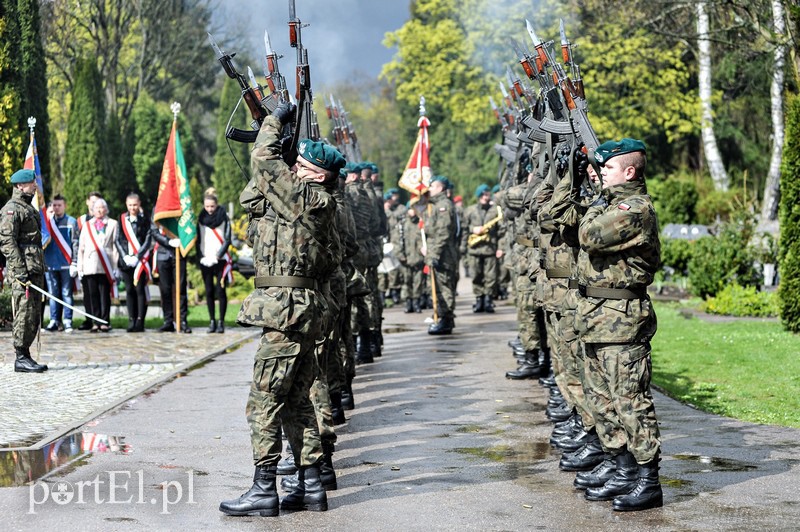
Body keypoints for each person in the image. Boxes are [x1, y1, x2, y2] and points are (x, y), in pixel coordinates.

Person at [219, 103, 343, 517]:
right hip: (299, 311)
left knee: (263, 400)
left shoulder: (313, 200)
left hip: (286, 313)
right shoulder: (309, 202)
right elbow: (254, 194)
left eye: (302, 164)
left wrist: (273, 122)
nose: (296, 167)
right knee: (297, 401)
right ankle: (309, 486)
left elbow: (263, 159)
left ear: (317, 175)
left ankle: (263, 488)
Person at [574, 139, 662, 512]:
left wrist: (597, 199)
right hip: (597, 318)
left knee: (630, 401)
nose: (599, 174)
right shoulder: (612, 204)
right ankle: (621, 467)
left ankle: (648, 479)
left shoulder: (634, 209)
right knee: (602, 400)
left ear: (629, 172)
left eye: (606, 169)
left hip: (621, 322)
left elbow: (589, 236)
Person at [0, 169, 48, 372]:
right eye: (30, 183)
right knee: (24, 312)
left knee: (34, 312)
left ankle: (26, 354)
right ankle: (20, 356)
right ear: (20, 186)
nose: (35, 185)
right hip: (23, 272)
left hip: (34, 268)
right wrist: (19, 271)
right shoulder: (12, 209)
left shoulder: (28, 208)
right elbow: (7, 242)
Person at [422, 175, 458, 335]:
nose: (429, 189)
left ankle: (445, 318)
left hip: (443, 256)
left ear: (440, 188)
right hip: (436, 254)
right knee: (436, 287)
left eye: (432, 186)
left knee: (444, 288)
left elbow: (443, 233)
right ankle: (442, 316)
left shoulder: (443, 206)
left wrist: (434, 253)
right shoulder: (434, 206)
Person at [77, 198, 119, 332]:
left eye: (102, 207)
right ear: (92, 210)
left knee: (104, 294)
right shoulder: (87, 225)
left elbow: (115, 246)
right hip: (90, 264)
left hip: (106, 264)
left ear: (106, 209)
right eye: (97, 208)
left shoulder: (113, 224)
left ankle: (105, 321)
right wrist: (80, 267)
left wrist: (115, 266)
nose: (100, 210)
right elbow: (81, 247)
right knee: (92, 294)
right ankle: (95, 321)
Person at [196, 187, 232, 333]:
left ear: (216, 205)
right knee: (209, 290)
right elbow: (197, 240)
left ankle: (221, 322)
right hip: (206, 259)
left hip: (220, 259)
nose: (210, 209)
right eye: (207, 206)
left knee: (220, 290)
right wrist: (201, 257)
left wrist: (218, 256)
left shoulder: (223, 217)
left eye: (212, 206)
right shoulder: (201, 218)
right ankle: (212, 321)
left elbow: (228, 238)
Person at [461, 184, 502, 313]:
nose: (486, 197)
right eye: (483, 195)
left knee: (491, 276)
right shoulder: (470, 210)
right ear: (478, 196)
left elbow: (502, 231)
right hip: (474, 248)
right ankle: (479, 300)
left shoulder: (495, 210)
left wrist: (500, 248)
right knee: (476, 275)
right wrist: (473, 229)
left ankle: (489, 300)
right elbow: (463, 227)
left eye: (487, 194)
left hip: (490, 248)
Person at [115, 193, 152, 333]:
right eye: (130, 205)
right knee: (129, 290)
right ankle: (131, 320)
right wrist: (125, 256)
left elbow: (148, 239)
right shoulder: (121, 219)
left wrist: (138, 256)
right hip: (126, 262)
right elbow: (118, 239)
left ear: (139, 204)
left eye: (135, 205)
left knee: (140, 290)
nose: (133, 207)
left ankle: (140, 321)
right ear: (126, 205)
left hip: (140, 261)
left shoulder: (145, 220)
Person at [43, 194, 79, 333]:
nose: (56, 208)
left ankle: (67, 320)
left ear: (65, 206)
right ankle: (54, 320)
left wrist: (75, 262)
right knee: (52, 294)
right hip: (50, 264)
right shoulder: (47, 222)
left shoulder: (71, 221)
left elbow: (75, 242)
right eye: (54, 205)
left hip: (66, 264)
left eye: (59, 205)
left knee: (66, 293)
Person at [150, 224, 191, 333]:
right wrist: (168, 241)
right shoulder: (158, 209)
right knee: (165, 290)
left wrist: (181, 240)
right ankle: (168, 321)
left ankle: (182, 321)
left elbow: (188, 225)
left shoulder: (182, 207)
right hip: (163, 254)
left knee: (181, 288)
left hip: (179, 253)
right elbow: (154, 231)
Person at [76, 191, 104, 330]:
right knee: (88, 293)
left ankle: (101, 320)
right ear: (87, 202)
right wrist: (77, 263)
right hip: (86, 263)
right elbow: (77, 242)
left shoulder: (105, 221)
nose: (94, 204)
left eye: (97, 202)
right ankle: (89, 319)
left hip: (102, 264)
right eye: (92, 201)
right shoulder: (82, 220)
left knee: (101, 292)